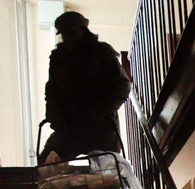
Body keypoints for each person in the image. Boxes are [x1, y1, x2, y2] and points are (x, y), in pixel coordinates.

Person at [38, 11, 131, 164]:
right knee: (46, 163)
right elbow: (52, 90)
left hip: (101, 126)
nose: (68, 38)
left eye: (72, 32)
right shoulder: (58, 59)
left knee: (108, 172)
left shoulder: (102, 53)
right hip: (70, 126)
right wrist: (54, 113)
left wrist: (103, 109)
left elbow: (122, 86)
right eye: (65, 34)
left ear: (83, 31)